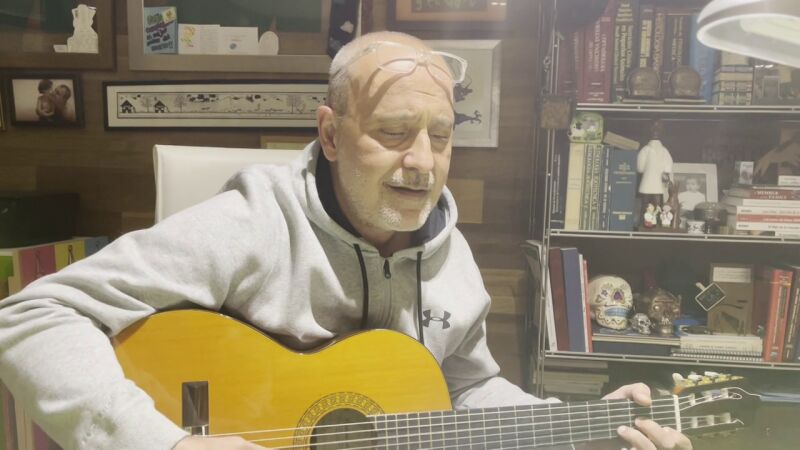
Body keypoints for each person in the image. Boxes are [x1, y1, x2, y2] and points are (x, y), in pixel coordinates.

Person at [0, 32, 691, 450]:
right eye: (393, 132)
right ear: (330, 135)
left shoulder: (451, 253)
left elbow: (466, 389)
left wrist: (581, 427)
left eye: (441, 137)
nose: (422, 162)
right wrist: (167, 441)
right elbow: (30, 315)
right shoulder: (250, 222)